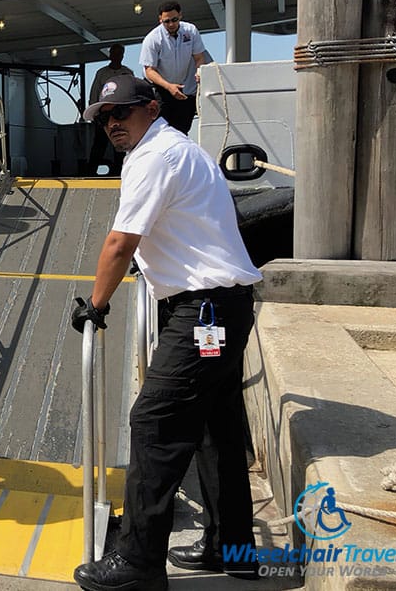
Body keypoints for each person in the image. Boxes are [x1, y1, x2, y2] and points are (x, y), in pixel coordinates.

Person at [70, 75, 262, 590]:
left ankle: (138, 562)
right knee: (214, 427)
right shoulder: (180, 149)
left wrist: (95, 305)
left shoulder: (156, 156)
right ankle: (233, 548)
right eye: (104, 117)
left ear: (151, 108)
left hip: (204, 310)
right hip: (220, 307)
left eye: (122, 113)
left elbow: (120, 242)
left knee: (154, 420)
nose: (112, 124)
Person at [138, 1, 206, 135]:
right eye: (166, 21)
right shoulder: (152, 39)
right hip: (161, 89)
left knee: (182, 130)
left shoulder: (191, 31)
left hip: (184, 88)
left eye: (174, 20)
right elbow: (149, 70)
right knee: (160, 131)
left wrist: (199, 71)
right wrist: (169, 86)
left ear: (180, 16)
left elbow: (199, 58)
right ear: (160, 20)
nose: (171, 24)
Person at [85, 43, 133, 176]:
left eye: (119, 54)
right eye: (114, 53)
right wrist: (94, 114)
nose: (117, 56)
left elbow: (131, 93)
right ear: (110, 55)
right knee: (99, 144)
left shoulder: (128, 72)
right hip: (104, 114)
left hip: (121, 114)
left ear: (122, 56)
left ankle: (119, 172)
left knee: (120, 143)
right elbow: (94, 94)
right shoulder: (101, 73)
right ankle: (90, 172)